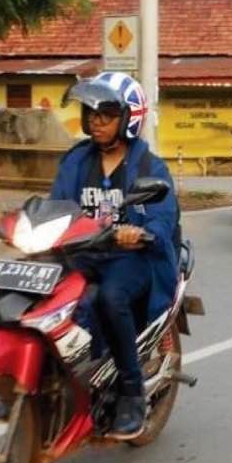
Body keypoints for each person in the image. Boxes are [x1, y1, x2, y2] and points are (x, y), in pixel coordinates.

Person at [49, 71, 180, 440]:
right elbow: (56, 204)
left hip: (133, 257)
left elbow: (163, 215)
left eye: (106, 113)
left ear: (128, 118)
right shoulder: (76, 160)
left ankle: (130, 390)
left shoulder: (148, 167)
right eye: (91, 113)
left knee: (110, 297)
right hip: (83, 253)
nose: (96, 121)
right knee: (42, 298)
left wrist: (139, 231)